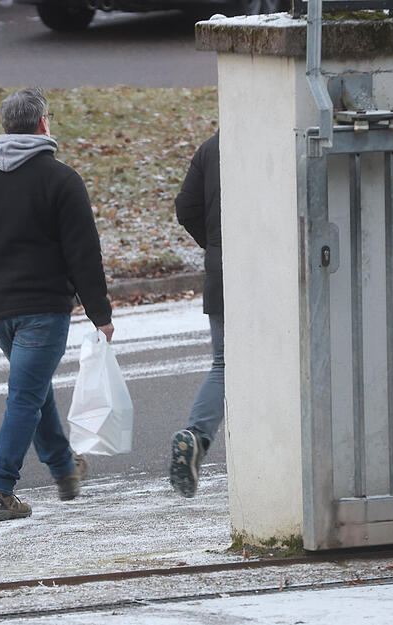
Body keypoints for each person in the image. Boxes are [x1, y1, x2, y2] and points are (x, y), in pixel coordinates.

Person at [0, 87, 114, 522]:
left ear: (6, 128)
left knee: (32, 390)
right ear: (43, 124)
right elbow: (84, 254)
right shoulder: (61, 179)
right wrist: (100, 314)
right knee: (26, 395)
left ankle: (64, 469)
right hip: (44, 310)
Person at [169, 132, 223, 498]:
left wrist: (215, 243)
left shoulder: (211, 147)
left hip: (222, 270)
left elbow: (185, 207)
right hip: (275, 266)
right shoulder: (277, 130)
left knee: (225, 364)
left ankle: (197, 436)